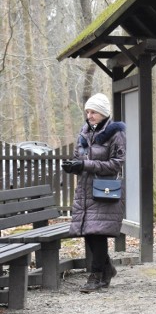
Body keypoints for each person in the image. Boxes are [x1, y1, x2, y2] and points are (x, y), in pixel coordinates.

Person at [63, 93, 125, 293]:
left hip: (103, 190)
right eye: (88, 111)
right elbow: (78, 156)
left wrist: (85, 164)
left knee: (97, 234)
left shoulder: (116, 134)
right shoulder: (84, 132)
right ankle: (107, 270)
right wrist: (73, 165)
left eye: (93, 112)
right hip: (84, 189)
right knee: (88, 234)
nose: (89, 115)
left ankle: (96, 275)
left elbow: (116, 164)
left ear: (103, 113)